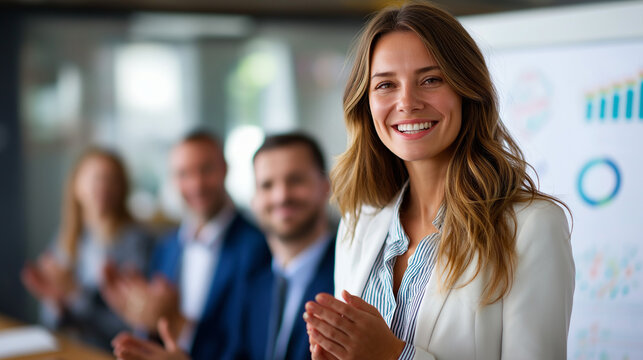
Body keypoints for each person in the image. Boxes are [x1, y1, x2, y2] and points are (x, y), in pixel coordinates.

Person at [303, 2, 575, 360]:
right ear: (365, 104)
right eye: (385, 84)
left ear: (467, 90)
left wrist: (394, 356)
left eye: (431, 80)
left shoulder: (531, 227)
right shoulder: (360, 221)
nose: (407, 102)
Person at [112, 133, 335, 360]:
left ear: (325, 186)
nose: (281, 195)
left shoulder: (343, 278)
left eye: (296, 180)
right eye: (267, 185)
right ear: (255, 198)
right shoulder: (263, 283)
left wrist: (178, 323)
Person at [102, 130, 267, 359]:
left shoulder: (257, 247)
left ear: (225, 169)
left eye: (206, 170)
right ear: (173, 180)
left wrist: (178, 322)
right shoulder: (166, 246)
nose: (196, 184)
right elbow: (155, 326)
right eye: (183, 174)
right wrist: (143, 317)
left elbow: (250, 345)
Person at [21, 147, 152, 350]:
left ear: (122, 187)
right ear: (75, 186)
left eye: (110, 179)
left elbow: (132, 326)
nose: (102, 187)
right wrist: (56, 302)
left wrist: (74, 295)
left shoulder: (137, 243)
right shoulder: (68, 237)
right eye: (94, 179)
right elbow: (50, 318)